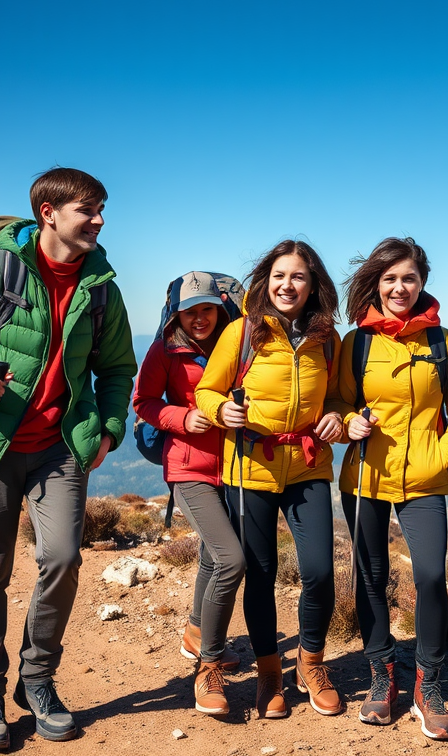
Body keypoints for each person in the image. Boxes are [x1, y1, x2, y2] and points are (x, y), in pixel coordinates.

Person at [0, 168, 136, 751]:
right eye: (88, 209)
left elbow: (117, 368)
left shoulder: (101, 286)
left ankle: (36, 679)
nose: (99, 219)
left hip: (59, 447)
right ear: (48, 212)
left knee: (62, 559)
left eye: (102, 209)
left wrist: (109, 430)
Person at [194, 239, 345, 719]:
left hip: (308, 464)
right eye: (279, 276)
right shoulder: (242, 333)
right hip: (250, 465)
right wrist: (223, 409)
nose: (287, 285)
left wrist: (338, 418)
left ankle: (312, 663)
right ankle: (269, 675)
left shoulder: (329, 339)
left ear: (313, 284)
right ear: (265, 281)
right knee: (259, 575)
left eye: (298, 276)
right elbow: (206, 390)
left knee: (319, 571)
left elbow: (342, 397)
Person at [338, 237, 448, 741]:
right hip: (364, 480)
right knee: (371, 576)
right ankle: (382, 674)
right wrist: (351, 421)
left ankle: (429, 682)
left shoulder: (444, 342)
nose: (400, 287)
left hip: (423, 478)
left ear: (423, 283)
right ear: (376, 283)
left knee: (431, 576)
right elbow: (336, 404)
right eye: (391, 278)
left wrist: (444, 454)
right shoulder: (356, 344)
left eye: (410, 278)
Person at [132, 271, 245, 716]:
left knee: (210, 556)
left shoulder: (236, 344)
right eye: (191, 310)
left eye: (207, 309)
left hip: (236, 467)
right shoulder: (164, 349)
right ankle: (208, 664)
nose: (200, 318)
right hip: (188, 467)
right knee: (231, 559)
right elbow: (143, 402)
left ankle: (197, 633)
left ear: (220, 308)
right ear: (177, 312)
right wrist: (181, 418)